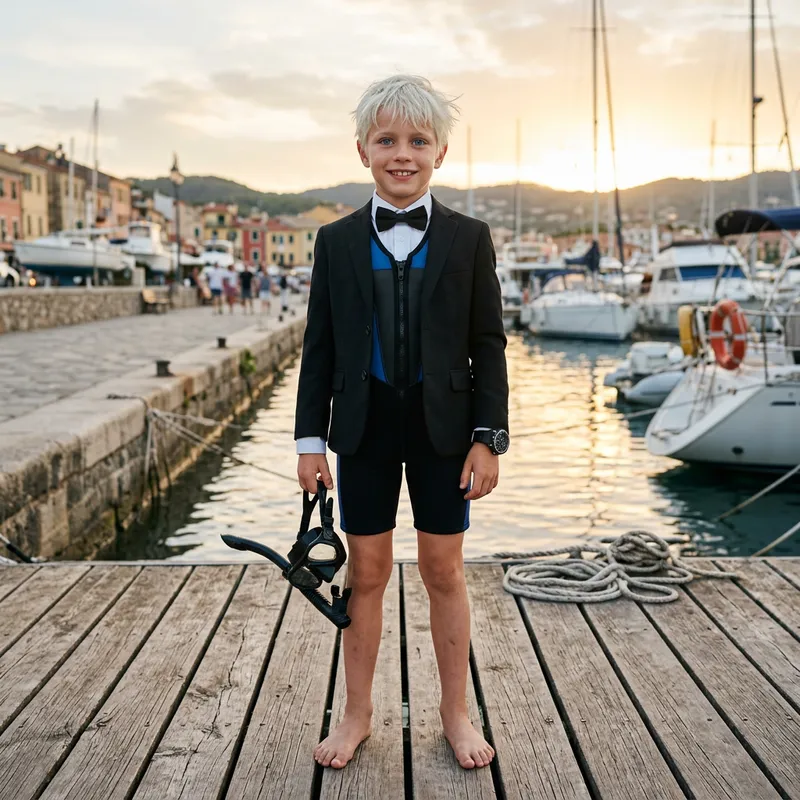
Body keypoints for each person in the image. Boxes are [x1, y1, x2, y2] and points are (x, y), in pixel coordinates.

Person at [294, 75, 509, 772]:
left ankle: (455, 712)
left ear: (440, 153)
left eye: (418, 140)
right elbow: (318, 346)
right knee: (368, 569)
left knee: (444, 569)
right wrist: (308, 442)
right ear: (363, 150)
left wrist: (489, 437)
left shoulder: (470, 239)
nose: (402, 153)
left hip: (446, 430)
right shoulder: (335, 242)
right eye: (387, 140)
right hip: (364, 427)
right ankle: (356, 711)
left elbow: (489, 345)